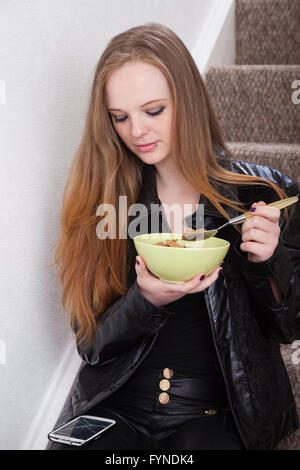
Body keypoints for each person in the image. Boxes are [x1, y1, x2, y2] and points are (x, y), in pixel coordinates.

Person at [47, 23, 300, 450]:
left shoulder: (263, 193)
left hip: (211, 414)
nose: (138, 132)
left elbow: (289, 327)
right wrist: (146, 301)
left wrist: (267, 262)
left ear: (189, 100)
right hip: (118, 408)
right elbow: (91, 347)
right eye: (120, 117)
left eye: (154, 110)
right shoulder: (107, 203)